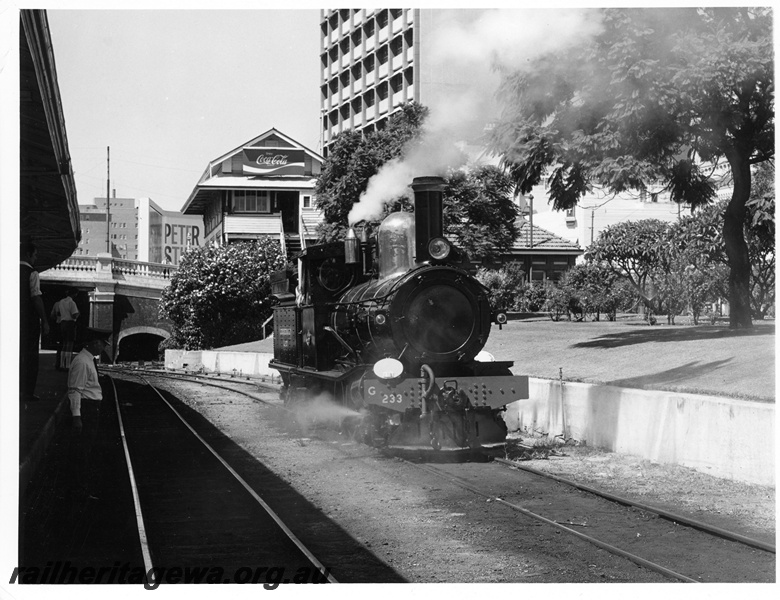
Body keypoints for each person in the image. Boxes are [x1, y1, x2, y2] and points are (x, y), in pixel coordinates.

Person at [67, 327, 111, 498]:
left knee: (86, 449)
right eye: (102, 344)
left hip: (91, 408)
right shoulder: (82, 362)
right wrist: (77, 416)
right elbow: (75, 390)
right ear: (94, 343)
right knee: (82, 451)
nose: (103, 347)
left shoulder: (89, 360)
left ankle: (80, 487)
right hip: (86, 409)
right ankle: (78, 490)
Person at [20, 241, 50, 403]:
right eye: (35, 255)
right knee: (30, 357)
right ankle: (27, 393)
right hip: (28, 321)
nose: (36, 258)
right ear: (28, 254)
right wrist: (44, 320)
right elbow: (36, 298)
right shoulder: (33, 273)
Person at [52, 288, 80, 370]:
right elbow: (74, 315)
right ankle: (67, 365)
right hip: (70, 323)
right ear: (74, 294)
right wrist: (78, 313)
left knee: (64, 344)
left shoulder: (61, 302)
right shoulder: (72, 302)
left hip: (62, 323)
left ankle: (61, 364)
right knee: (70, 344)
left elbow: (59, 313)